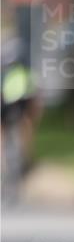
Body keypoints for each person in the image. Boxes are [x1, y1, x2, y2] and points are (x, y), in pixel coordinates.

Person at [1, 37, 42, 197]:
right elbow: (35, 100)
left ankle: (13, 160)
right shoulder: (26, 73)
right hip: (17, 106)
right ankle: (28, 156)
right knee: (26, 125)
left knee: (9, 132)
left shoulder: (8, 74)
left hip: (11, 105)